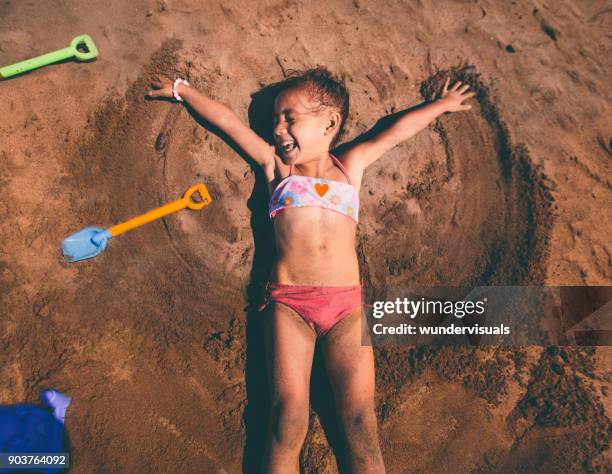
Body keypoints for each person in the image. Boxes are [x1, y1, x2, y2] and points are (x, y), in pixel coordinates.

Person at [147, 68, 474, 473]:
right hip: (289, 306)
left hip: (347, 310)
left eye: (290, 117)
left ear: (330, 123)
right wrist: (182, 90)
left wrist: (440, 105)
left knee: (361, 422)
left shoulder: (349, 166)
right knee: (288, 417)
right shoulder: (276, 169)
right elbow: (229, 122)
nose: (279, 128)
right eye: (275, 120)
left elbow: (393, 132)